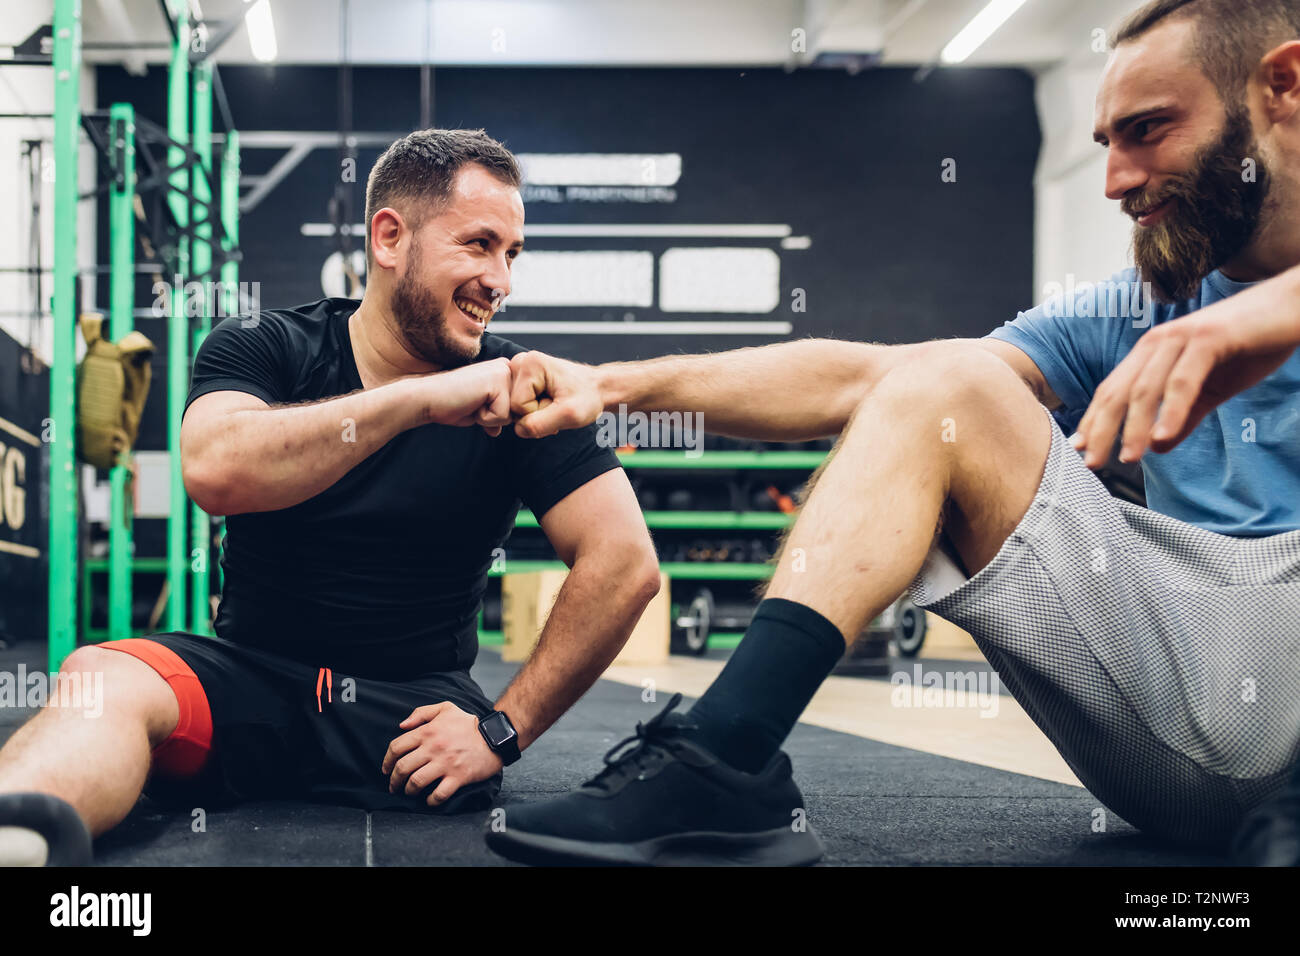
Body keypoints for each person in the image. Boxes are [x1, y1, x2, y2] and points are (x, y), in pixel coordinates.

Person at [485, 0, 1300, 866]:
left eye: (1149, 130)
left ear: (1283, 85)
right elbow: (878, 383)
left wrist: (1271, 314)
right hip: (1181, 712)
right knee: (946, 381)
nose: (1116, 180)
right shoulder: (1134, 309)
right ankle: (721, 762)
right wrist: (610, 385)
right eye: (1106, 144)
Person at [0, 129, 661, 867]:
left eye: (512, 254)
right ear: (389, 237)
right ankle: (17, 842)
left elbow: (624, 561)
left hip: (415, 722)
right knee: (99, 677)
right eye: (479, 245)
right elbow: (215, 471)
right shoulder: (265, 345)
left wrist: (501, 731)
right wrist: (417, 401)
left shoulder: (517, 387)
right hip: (246, 684)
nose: (501, 279)